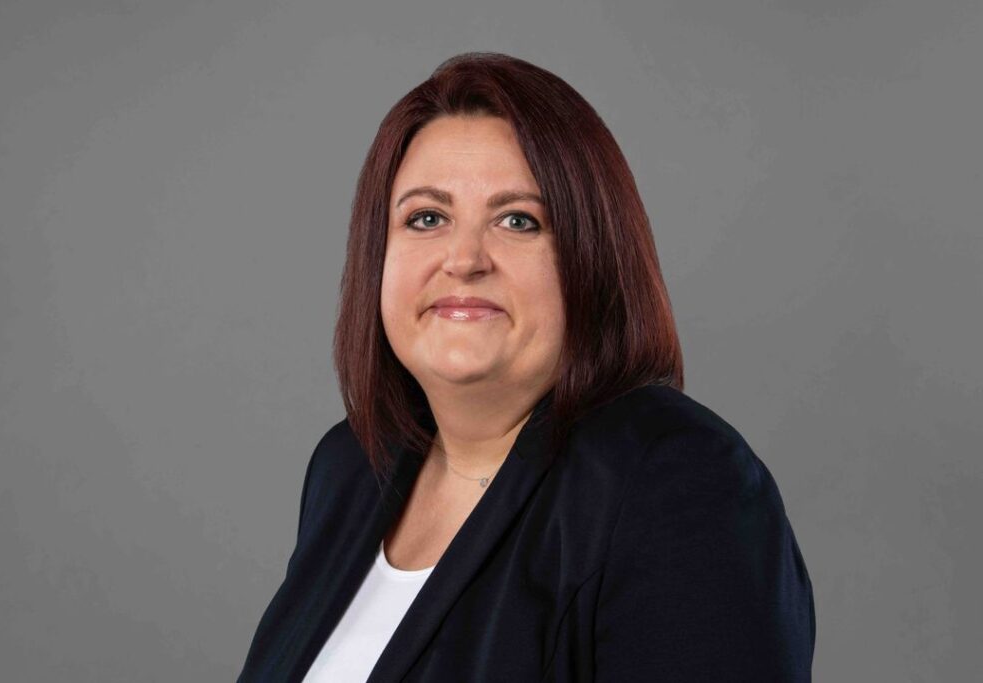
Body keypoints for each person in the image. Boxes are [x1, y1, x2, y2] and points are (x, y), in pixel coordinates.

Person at [237, 51, 815, 682]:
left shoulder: (677, 480)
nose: (464, 259)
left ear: (592, 257)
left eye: (518, 220)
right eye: (427, 218)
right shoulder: (351, 465)